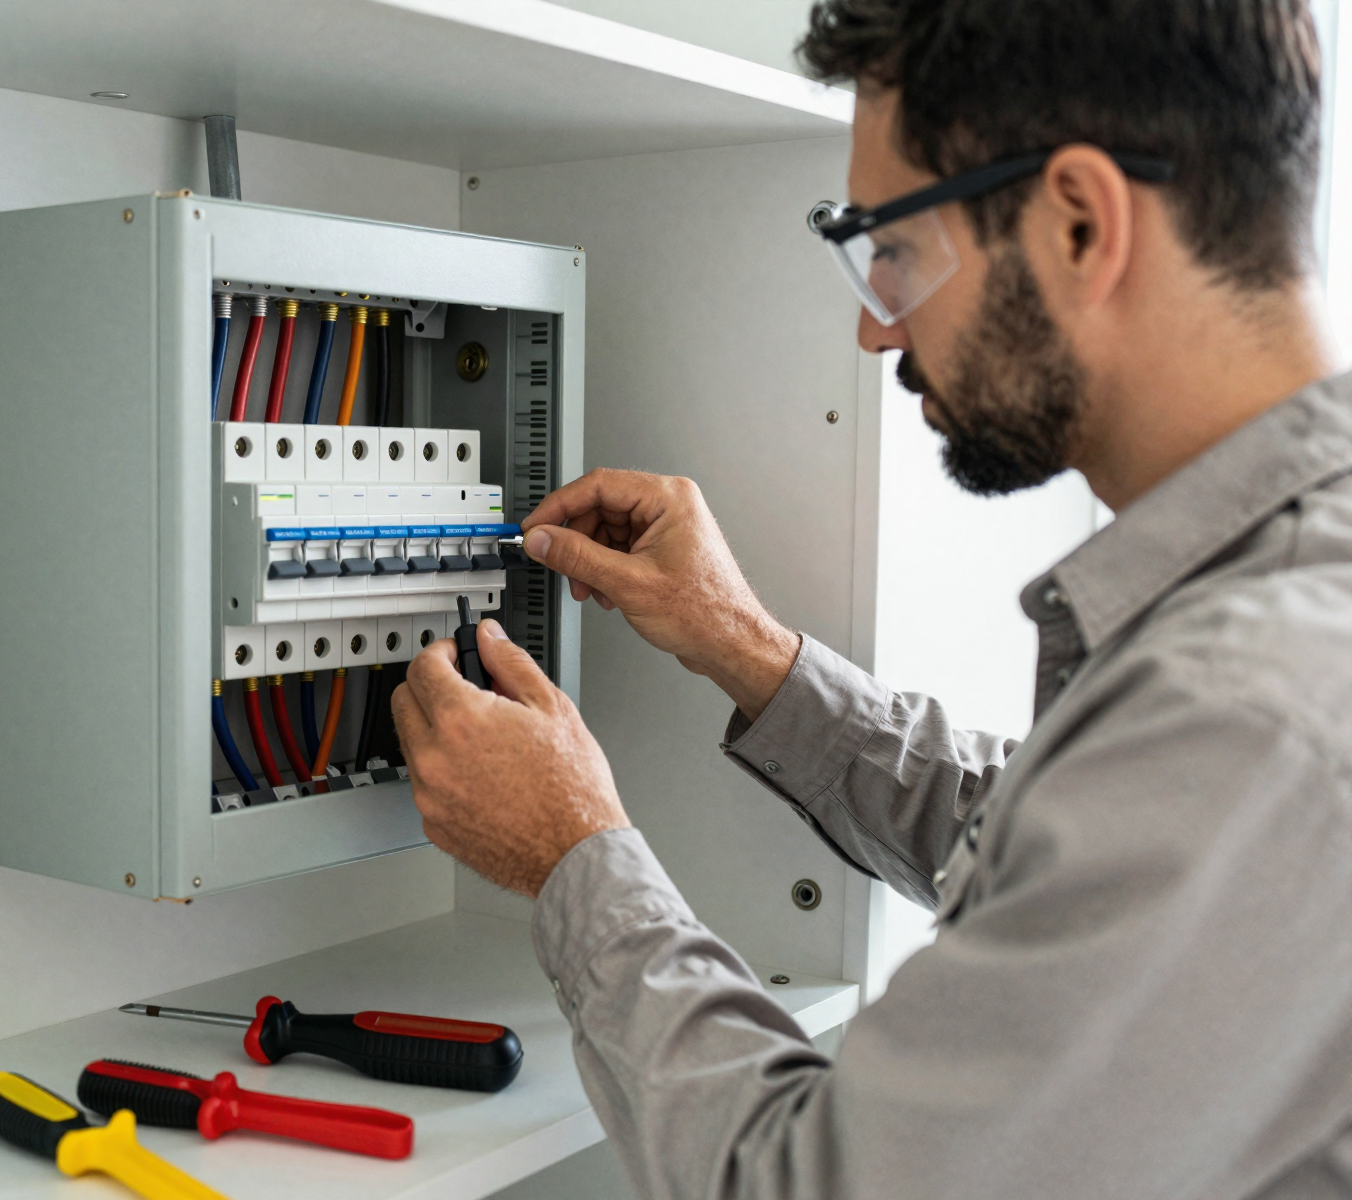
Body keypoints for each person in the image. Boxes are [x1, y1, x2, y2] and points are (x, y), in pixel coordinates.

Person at [391, 0, 1352, 1195]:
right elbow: (1053, 862)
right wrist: (746, 649)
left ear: (1077, 222)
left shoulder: (1248, 703)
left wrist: (572, 853)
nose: (867, 325)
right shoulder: (1280, 623)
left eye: (890, 247)